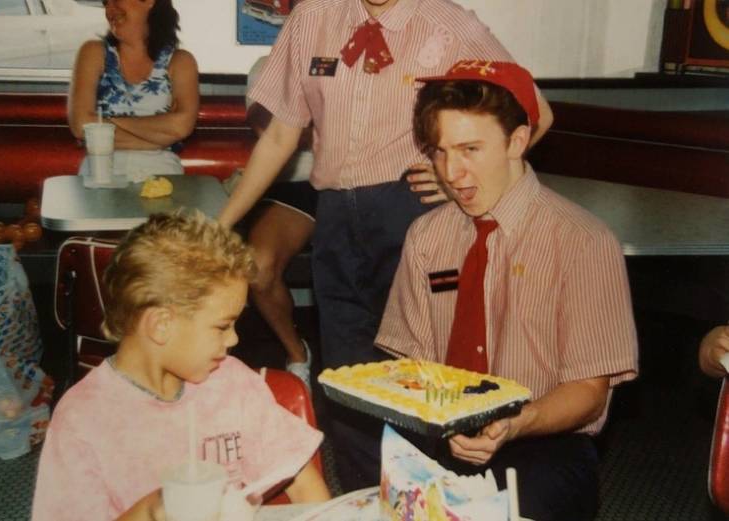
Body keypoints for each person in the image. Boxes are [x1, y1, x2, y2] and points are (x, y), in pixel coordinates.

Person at [218, 0, 553, 491]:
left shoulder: (447, 22)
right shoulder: (313, 17)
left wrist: (459, 177)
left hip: (417, 214)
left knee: (428, 380)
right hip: (334, 216)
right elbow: (280, 136)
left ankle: (443, 502)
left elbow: (534, 113)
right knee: (348, 380)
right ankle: (366, 500)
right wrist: (221, 226)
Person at [375, 60, 639, 521]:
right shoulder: (427, 236)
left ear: (517, 141)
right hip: (442, 433)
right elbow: (407, 363)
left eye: (470, 149)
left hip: (542, 441)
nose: (452, 172)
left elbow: (589, 390)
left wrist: (517, 423)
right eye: (439, 151)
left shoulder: (582, 241)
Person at [31, 211, 330, 521]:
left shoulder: (231, 382)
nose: (233, 339)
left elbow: (305, 485)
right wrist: (152, 511)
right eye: (221, 326)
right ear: (161, 325)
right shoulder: (82, 421)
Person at [236, 57, 318, 389]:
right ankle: (298, 356)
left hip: (362, 186)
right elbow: (271, 130)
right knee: (258, 265)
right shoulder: (268, 66)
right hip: (294, 187)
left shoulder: (362, 64)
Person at [67, 0, 199, 183]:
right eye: (106, 3)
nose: (109, 9)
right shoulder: (93, 53)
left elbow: (181, 127)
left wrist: (107, 122)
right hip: (98, 173)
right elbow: (81, 126)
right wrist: (161, 138)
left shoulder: (181, 61)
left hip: (162, 174)